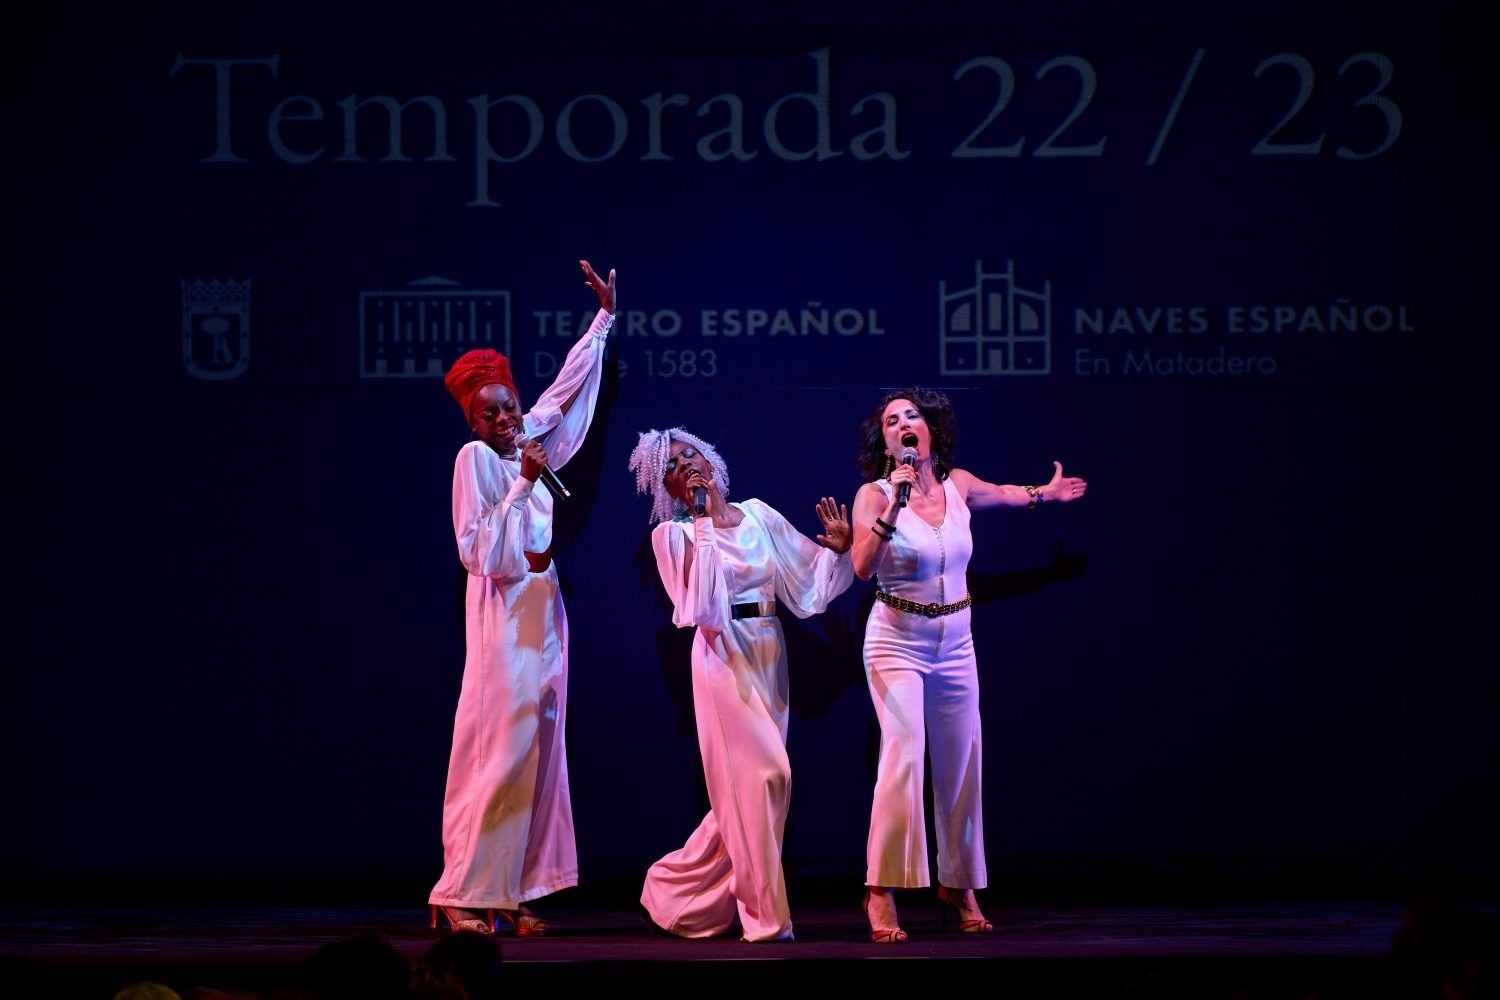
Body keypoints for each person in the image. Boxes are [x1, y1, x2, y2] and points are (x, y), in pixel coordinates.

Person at [850, 388, 1086, 942]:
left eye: (912, 415)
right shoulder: (874, 494)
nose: (903, 424)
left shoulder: (958, 486)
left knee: (960, 763)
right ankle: (880, 888)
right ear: (885, 441)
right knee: (903, 758)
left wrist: (1042, 495)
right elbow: (862, 565)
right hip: (896, 641)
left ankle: (957, 882)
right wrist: (894, 505)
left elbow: (1004, 493)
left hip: (956, 641)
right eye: (891, 420)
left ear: (930, 429)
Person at [428, 260, 617, 936]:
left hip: (544, 612)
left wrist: (602, 320)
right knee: (498, 751)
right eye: (492, 411)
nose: (507, 417)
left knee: (539, 753)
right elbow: (478, 552)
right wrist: (519, 486)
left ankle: (511, 889)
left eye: (509, 404)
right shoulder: (476, 463)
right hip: (503, 617)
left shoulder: (526, 448)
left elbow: (564, 394)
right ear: (472, 420)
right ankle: (460, 892)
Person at [628, 427, 855, 942]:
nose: (685, 465)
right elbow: (701, 607)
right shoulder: (673, 537)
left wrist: (839, 553)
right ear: (666, 488)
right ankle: (766, 921)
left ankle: (671, 888)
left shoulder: (758, 514)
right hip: (720, 655)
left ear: (711, 460)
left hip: (768, 650)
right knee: (768, 778)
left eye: (690, 455)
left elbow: (804, 584)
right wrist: (704, 525)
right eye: (672, 466)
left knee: (748, 795)